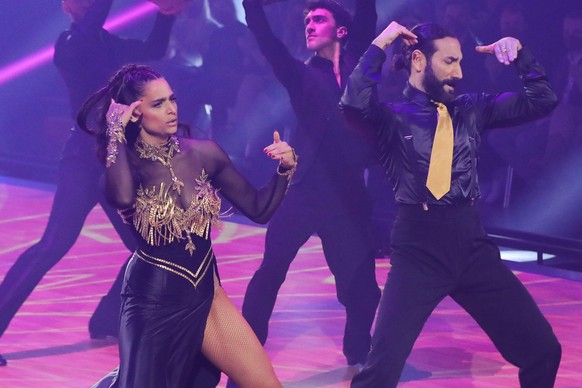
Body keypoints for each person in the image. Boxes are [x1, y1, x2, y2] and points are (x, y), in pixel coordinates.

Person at [340, 21, 562, 387]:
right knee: (378, 374)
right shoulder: (391, 117)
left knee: (543, 350)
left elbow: (543, 99)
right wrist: (381, 42)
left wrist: (520, 54)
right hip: (418, 251)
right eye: (449, 62)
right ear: (418, 60)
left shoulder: (472, 109)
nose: (458, 73)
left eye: (460, 63)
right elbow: (352, 103)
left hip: (472, 246)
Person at [79, 63, 296, 387]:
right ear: (135, 114)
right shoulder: (123, 169)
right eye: (158, 103)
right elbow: (123, 198)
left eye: (172, 99)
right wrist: (115, 136)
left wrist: (285, 169)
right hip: (152, 305)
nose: (171, 110)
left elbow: (259, 209)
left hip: (208, 297)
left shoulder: (203, 153)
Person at [0, 0, 187, 367]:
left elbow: (154, 51)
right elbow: (94, 21)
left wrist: (165, 16)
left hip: (118, 159)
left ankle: (106, 319)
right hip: (84, 160)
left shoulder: (107, 42)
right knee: (54, 244)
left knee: (147, 247)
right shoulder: (70, 43)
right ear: (69, 6)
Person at [239, 0, 381, 368]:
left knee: (362, 289)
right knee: (271, 271)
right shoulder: (301, 75)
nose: (310, 25)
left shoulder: (361, 65)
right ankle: (246, 355)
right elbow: (266, 40)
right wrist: (251, 5)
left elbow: (367, 12)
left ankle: (358, 350)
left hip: (348, 198)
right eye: (307, 20)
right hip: (303, 192)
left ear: (342, 30)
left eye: (319, 19)